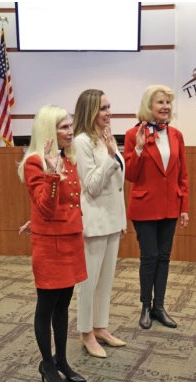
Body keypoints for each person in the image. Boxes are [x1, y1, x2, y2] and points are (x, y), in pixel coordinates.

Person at [17, 105, 87, 382]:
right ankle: (47, 363)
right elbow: (46, 207)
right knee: (46, 307)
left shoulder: (66, 158)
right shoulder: (36, 162)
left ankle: (62, 360)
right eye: (63, 127)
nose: (70, 131)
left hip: (70, 238)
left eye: (70, 126)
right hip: (50, 244)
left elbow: (68, 203)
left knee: (63, 305)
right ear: (49, 130)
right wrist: (52, 174)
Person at [123, 85, 189, 330]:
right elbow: (130, 174)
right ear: (148, 106)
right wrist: (139, 148)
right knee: (149, 258)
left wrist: (184, 206)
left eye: (168, 103)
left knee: (164, 257)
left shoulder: (176, 135)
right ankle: (145, 307)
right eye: (160, 102)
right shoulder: (133, 134)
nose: (165, 107)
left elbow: (183, 173)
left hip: (171, 205)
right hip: (144, 206)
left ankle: (160, 307)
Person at [73, 89, 127, 358]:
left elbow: (118, 187)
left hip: (112, 220)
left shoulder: (107, 138)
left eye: (109, 106)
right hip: (94, 222)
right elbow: (92, 187)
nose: (109, 112)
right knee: (89, 282)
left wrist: (122, 218)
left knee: (105, 281)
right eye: (103, 108)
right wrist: (109, 155)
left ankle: (100, 327)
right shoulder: (81, 141)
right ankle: (85, 333)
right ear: (91, 111)